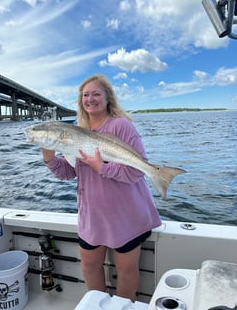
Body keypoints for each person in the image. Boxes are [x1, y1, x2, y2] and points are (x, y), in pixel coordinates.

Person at [42, 74, 162, 301]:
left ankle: (123, 308)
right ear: (80, 101)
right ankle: (97, 305)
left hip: (125, 214)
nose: (90, 99)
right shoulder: (77, 132)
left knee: (126, 271)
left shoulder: (121, 126)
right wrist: (49, 158)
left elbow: (136, 172)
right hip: (92, 215)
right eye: (85, 95)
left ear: (108, 98)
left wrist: (101, 167)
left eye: (96, 93)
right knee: (89, 266)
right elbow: (69, 172)